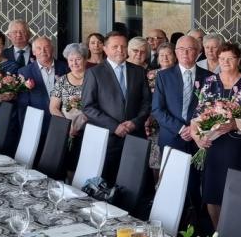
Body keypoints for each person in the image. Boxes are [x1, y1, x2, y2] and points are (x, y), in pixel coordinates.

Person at [192, 43, 241, 230]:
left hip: (238, 147)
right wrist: (198, 137)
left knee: (236, 191)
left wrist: (234, 124)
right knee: (212, 191)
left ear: (239, 59)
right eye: (222, 59)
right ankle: (218, 233)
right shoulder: (209, 81)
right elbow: (197, 114)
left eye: (230, 58)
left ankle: (235, 232)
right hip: (213, 145)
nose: (225, 62)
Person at [81, 31, 151, 184]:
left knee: (135, 183)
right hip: (107, 139)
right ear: (105, 49)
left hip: (135, 135)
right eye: (115, 47)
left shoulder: (139, 71)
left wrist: (135, 122)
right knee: (106, 183)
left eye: (123, 46)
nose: (120, 50)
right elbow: (88, 107)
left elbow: (146, 102)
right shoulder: (94, 73)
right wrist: (115, 126)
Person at [152, 37, 210, 221]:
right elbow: (157, 110)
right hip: (172, 138)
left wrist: (194, 129)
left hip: (197, 141)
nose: (185, 53)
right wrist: (181, 128)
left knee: (195, 185)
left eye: (190, 49)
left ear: (198, 52)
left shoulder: (209, 77)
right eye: (181, 49)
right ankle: (171, 224)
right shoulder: (163, 76)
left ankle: (195, 225)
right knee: (171, 184)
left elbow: (210, 110)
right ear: (175, 52)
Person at [17, 37, 69, 137]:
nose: (43, 51)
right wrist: (25, 128)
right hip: (37, 124)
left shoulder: (66, 68)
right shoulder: (24, 72)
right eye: (39, 48)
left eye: (46, 47)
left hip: (62, 121)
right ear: (33, 52)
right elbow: (23, 105)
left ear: (52, 49)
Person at [48, 43, 88, 175]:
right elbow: (53, 107)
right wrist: (68, 126)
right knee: (66, 165)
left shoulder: (93, 78)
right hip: (66, 131)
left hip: (89, 129)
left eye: (78, 59)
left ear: (85, 59)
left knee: (85, 165)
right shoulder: (62, 81)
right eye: (71, 60)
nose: (74, 63)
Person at [147, 42, 182, 173]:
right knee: (155, 159)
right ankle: (158, 184)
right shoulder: (151, 75)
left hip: (173, 122)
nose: (165, 58)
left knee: (173, 160)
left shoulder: (181, 73)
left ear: (175, 56)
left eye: (168, 54)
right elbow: (146, 99)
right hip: (153, 121)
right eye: (161, 55)